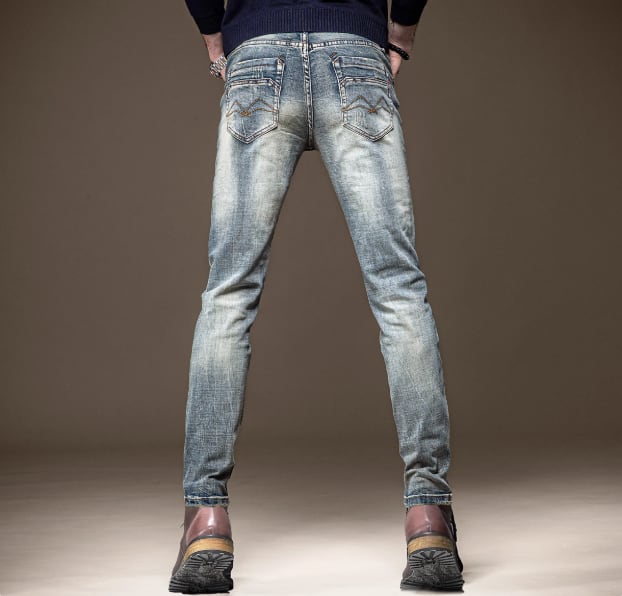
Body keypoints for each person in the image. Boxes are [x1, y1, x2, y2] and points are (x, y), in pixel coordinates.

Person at [169, 0, 464, 592]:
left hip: (256, 56)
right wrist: (399, 35)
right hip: (356, 55)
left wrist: (214, 35)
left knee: (229, 294)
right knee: (399, 290)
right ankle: (428, 518)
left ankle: (205, 522)